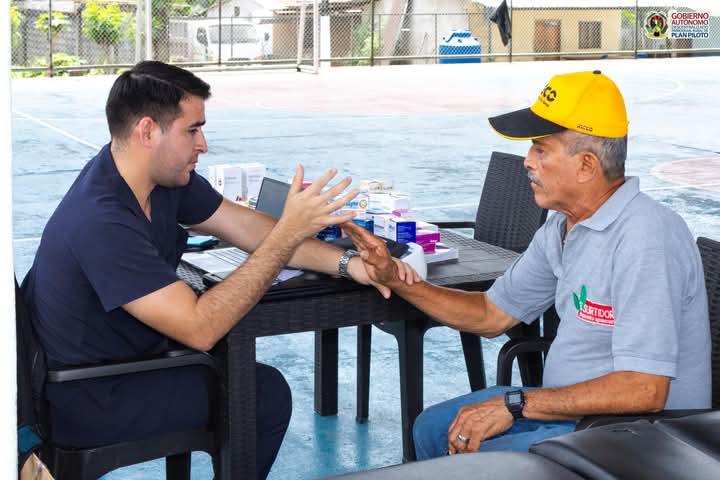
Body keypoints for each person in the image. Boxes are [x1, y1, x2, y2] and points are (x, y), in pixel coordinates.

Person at [21, 61, 418, 479]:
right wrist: (287, 234)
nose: (204, 144)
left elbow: (249, 228)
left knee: (234, 368)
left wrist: (350, 265)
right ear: (148, 131)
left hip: (124, 358)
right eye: (192, 130)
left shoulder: (159, 179)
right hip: (85, 394)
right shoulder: (101, 218)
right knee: (261, 396)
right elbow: (200, 328)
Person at [341, 70, 711, 459]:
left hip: (639, 434)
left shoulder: (646, 237)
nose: (527, 161)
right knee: (433, 429)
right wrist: (397, 279)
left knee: (479, 456)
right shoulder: (563, 227)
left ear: (586, 166)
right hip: (574, 415)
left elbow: (644, 389)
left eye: (541, 149)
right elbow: (490, 314)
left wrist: (517, 405)